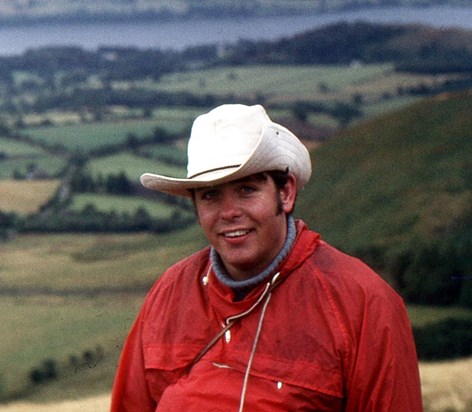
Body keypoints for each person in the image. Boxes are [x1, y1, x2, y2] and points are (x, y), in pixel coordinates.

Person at [111, 104, 423, 411]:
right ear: (195, 207)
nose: (229, 212)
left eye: (246, 189)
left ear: (285, 193)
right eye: (210, 195)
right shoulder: (170, 292)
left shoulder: (364, 304)